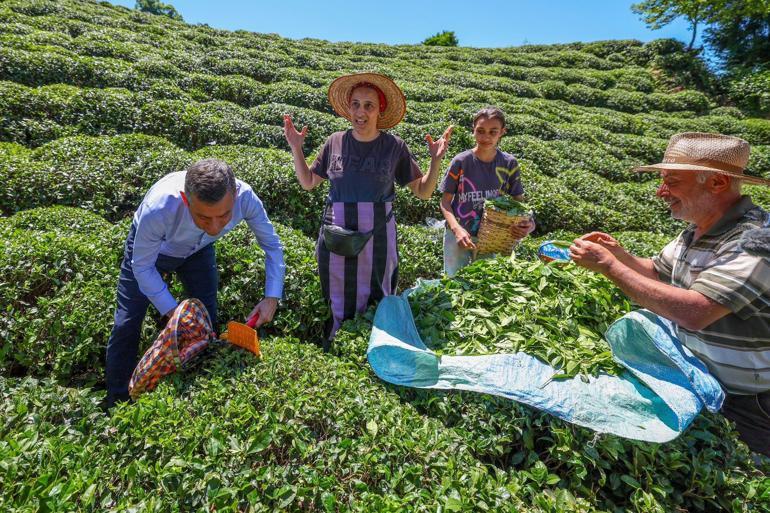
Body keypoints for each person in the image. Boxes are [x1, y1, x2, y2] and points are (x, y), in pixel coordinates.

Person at [569, 132, 770, 457]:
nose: (661, 192)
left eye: (672, 182)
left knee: (750, 482)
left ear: (717, 183)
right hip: (700, 380)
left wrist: (609, 267)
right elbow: (657, 271)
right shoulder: (697, 228)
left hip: (748, 403)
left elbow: (696, 312)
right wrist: (618, 254)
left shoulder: (755, 241)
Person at [283, 72, 452, 343]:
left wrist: (435, 162)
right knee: (336, 289)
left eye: (368, 105)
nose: (361, 112)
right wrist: (296, 148)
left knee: (378, 289)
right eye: (356, 104)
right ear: (349, 108)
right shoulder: (334, 141)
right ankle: (336, 342)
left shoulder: (394, 146)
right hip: (337, 233)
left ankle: (376, 342)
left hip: (378, 235)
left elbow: (423, 191)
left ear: (379, 110)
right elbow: (308, 182)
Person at [105, 158, 285, 407]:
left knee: (207, 316)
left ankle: (196, 388)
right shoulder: (159, 206)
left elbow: (272, 246)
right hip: (155, 252)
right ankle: (117, 401)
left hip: (199, 250)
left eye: (224, 216)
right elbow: (142, 266)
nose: (214, 226)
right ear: (186, 199)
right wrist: (174, 312)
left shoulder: (246, 197)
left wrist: (272, 297)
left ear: (234, 196)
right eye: (203, 217)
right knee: (126, 322)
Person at [439, 107, 535, 276]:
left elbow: (519, 202)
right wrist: (457, 229)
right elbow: (445, 202)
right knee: (453, 282)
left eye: (493, 132)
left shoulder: (509, 164)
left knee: (486, 284)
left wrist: (529, 224)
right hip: (458, 235)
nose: (486, 137)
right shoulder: (461, 162)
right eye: (480, 131)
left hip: (493, 236)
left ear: (502, 133)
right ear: (473, 130)